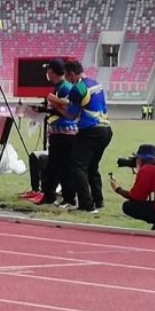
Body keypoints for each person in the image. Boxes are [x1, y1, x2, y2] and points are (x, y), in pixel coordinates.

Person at [58, 59, 113, 213]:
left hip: (91, 131)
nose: (68, 82)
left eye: (68, 78)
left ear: (72, 74)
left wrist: (57, 105)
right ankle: (98, 200)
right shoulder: (96, 83)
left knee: (77, 165)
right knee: (92, 167)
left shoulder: (78, 89)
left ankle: (86, 205)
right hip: (106, 129)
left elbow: (71, 115)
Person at [37, 58, 77, 207]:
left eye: (48, 70)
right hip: (59, 133)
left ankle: (68, 199)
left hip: (65, 133)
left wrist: (50, 109)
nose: (47, 73)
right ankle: (49, 196)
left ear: (52, 71)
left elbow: (68, 111)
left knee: (63, 167)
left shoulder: (64, 88)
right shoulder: (60, 87)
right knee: (53, 166)